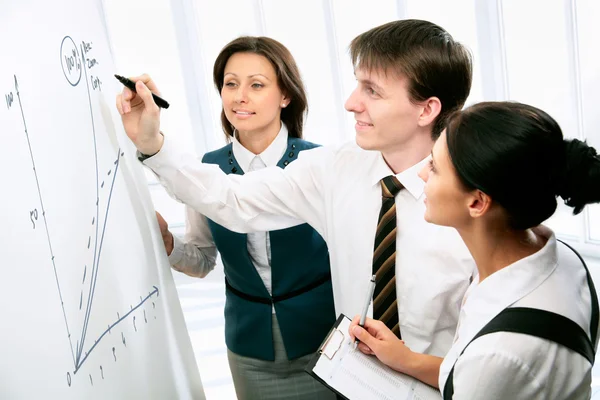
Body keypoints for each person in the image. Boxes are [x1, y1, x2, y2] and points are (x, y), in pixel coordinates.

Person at [116, 19, 476, 362]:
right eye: (357, 84)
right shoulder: (335, 168)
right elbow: (235, 199)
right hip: (349, 378)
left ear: (427, 109)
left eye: (372, 91)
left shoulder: (479, 199)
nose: (351, 102)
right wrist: (152, 143)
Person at [349, 101, 600, 399]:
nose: (422, 175)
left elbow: (484, 372)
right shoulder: (564, 259)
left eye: (435, 167)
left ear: (477, 203)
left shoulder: (498, 351)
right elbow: (474, 374)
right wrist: (408, 360)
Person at [150, 36, 336, 400]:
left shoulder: (319, 163)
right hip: (249, 350)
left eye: (256, 85)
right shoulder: (207, 170)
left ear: (286, 96)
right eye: (230, 84)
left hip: (325, 343)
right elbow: (203, 260)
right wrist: (169, 244)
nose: (239, 96)